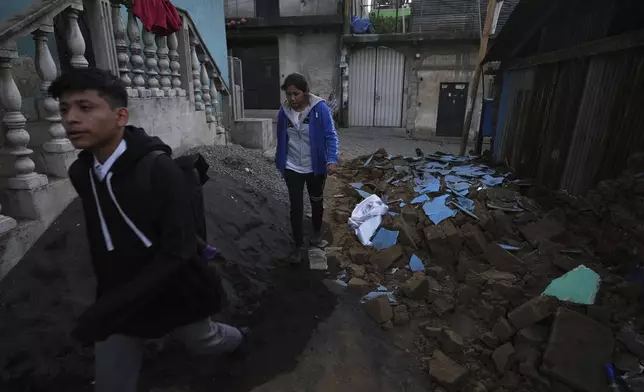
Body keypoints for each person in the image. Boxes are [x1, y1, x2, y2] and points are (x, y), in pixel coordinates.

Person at [50, 67, 247, 392]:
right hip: (118, 297)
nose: (71, 118)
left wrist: (108, 307)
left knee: (204, 339)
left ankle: (240, 341)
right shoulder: (81, 173)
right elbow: (103, 239)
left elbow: (179, 251)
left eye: (85, 107)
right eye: (64, 109)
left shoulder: (158, 170)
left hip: (176, 289)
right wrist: (109, 301)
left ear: (120, 115)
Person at [275, 73, 339, 263]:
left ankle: (316, 233)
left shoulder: (319, 109)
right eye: (289, 94)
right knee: (296, 207)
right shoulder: (283, 112)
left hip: (315, 167)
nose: (292, 98)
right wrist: (280, 161)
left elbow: (330, 135)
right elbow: (281, 138)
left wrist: (332, 159)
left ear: (305, 92)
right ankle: (297, 246)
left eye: (296, 94)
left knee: (316, 200)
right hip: (292, 166)